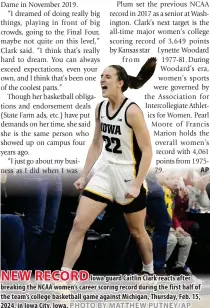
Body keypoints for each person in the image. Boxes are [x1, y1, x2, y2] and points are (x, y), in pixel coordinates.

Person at [62, 58, 157, 275]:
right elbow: (96, 144)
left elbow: (147, 150)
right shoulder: (100, 108)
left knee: (137, 232)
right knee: (79, 224)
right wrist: (84, 175)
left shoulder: (132, 111)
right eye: (101, 77)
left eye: (107, 77)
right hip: (105, 172)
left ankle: (148, 270)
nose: (102, 80)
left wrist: (137, 183)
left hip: (128, 173)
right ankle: (64, 277)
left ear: (120, 83)